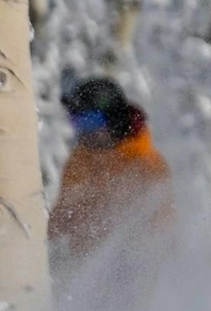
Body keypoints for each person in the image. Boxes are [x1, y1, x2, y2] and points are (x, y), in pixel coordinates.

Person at [50, 75, 174, 269]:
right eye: (77, 122)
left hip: (133, 273)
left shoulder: (146, 164)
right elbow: (60, 220)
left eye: (90, 122)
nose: (84, 132)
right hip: (80, 270)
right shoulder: (80, 160)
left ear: (114, 119)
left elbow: (160, 231)